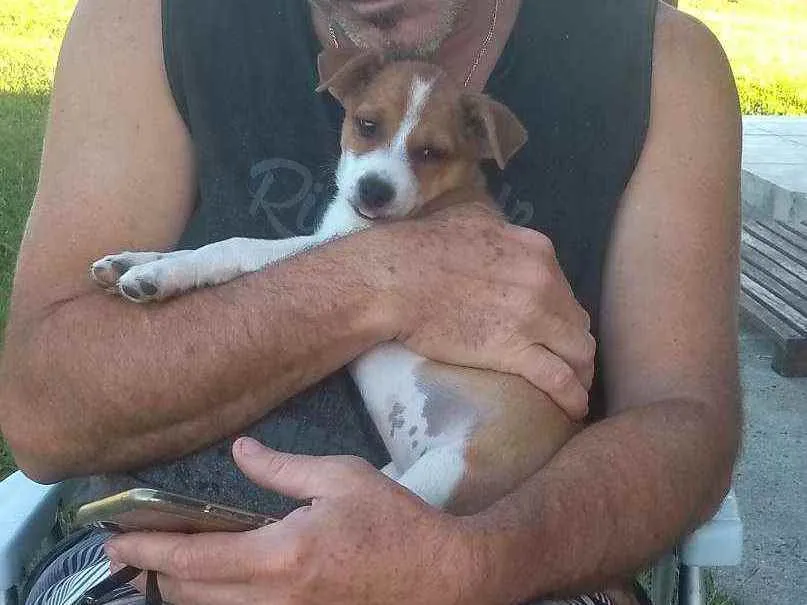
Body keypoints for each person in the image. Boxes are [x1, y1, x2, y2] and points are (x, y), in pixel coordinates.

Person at [0, 0, 742, 603]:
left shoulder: (658, 66)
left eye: (427, 153)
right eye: (369, 129)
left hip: (510, 564)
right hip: (157, 565)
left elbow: (687, 425)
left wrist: (468, 566)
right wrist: (380, 279)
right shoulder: (143, 21)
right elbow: (39, 414)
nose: (387, 170)